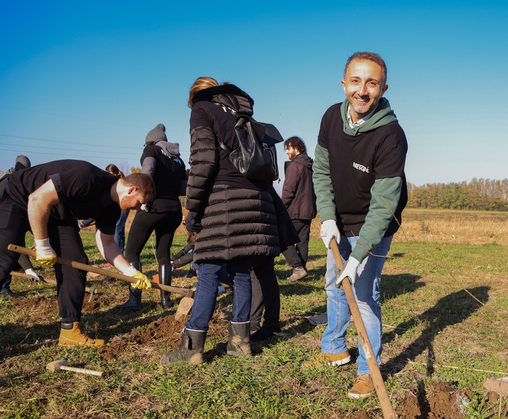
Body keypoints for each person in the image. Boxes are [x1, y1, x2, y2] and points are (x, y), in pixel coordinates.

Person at [305, 51, 408, 400]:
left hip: (373, 225)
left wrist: (359, 254)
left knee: (363, 295)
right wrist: (328, 216)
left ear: (383, 88)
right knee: (334, 286)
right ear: (343, 83)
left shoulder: (391, 136)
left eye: (371, 83)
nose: (362, 90)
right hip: (341, 218)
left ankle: (369, 370)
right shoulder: (330, 119)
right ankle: (334, 347)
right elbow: (320, 171)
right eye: (355, 81)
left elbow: (383, 203)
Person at [161, 77, 282, 365]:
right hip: (255, 200)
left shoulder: (202, 109)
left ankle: (192, 347)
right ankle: (240, 343)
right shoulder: (242, 113)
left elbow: (204, 161)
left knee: (207, 269)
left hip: (223, 199)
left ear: (196, 96)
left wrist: (193, 208)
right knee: (241, 269)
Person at [0, 160, 155, 345]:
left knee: (75, 260)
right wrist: (42, 245)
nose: (138, 208)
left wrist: (129, 271)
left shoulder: (113, 208)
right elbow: (37, 199)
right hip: (15, 197)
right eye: (140, 203)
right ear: (131, 190)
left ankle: (69, 331)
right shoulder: (86, 176)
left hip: (56, 211)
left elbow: (106, 243)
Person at [118, 124, 187, 309]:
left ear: (150, 141)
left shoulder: (151, 150)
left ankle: (134, 299)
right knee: (163, 254)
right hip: (173, 210)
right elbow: (183, 188)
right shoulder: (179, 160)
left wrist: (145, 199)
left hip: (153, 207)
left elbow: (147, 173)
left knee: (132, 252)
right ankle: (166, 300)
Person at [0, 155, 44, 297]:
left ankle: (2, 287)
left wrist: (38, 237)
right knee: (2, 256)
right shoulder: (12, 189)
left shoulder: (9, 184)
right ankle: (2, 289)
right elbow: (14, 241)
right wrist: (29, 269)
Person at [280, 136, 316, 282]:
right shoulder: (310, 165)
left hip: (294, 210)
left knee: (283, 238)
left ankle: (298, 268)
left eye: (288, 148)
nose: (287, 152)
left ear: (296, 147)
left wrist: (281, 208)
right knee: (302, 242)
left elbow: (289, 190)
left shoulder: (295, 166)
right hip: (308, 211)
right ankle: (301, 271)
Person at [78, 164, 129, 253]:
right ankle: (116, 253)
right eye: (107, 173)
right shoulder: (106, 184)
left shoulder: (119, 182)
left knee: (118, 230)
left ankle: (117, 254)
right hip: (113, 208)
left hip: (121, 207)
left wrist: (83, 224)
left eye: (111, 173)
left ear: (116, 173)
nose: (109, 176)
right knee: (116, 231)